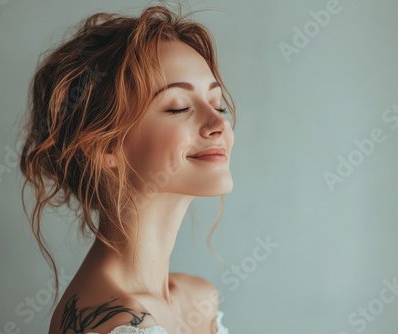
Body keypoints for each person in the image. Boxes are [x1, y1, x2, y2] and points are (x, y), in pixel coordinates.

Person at [18, 3, 236, 334]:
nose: (219, 121)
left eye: (217, 103)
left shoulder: (199, 299)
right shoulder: (116, 321)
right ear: (104, 146)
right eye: (178, 108)